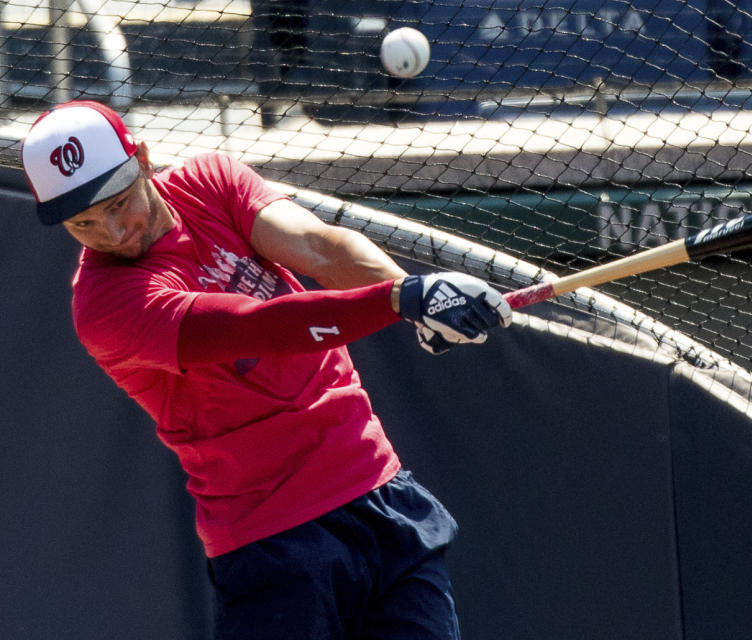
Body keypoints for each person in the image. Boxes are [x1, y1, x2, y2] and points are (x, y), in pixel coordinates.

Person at [21, 100, 512, 639]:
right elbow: (262, 329)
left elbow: (318, 247)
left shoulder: (210, 180)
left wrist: (421, 302)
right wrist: (401, 298)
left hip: (379, 492)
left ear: (141, 158)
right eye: (83, 222)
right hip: (275, 542)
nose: (113, 232)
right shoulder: (104, 306)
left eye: (118, 204)